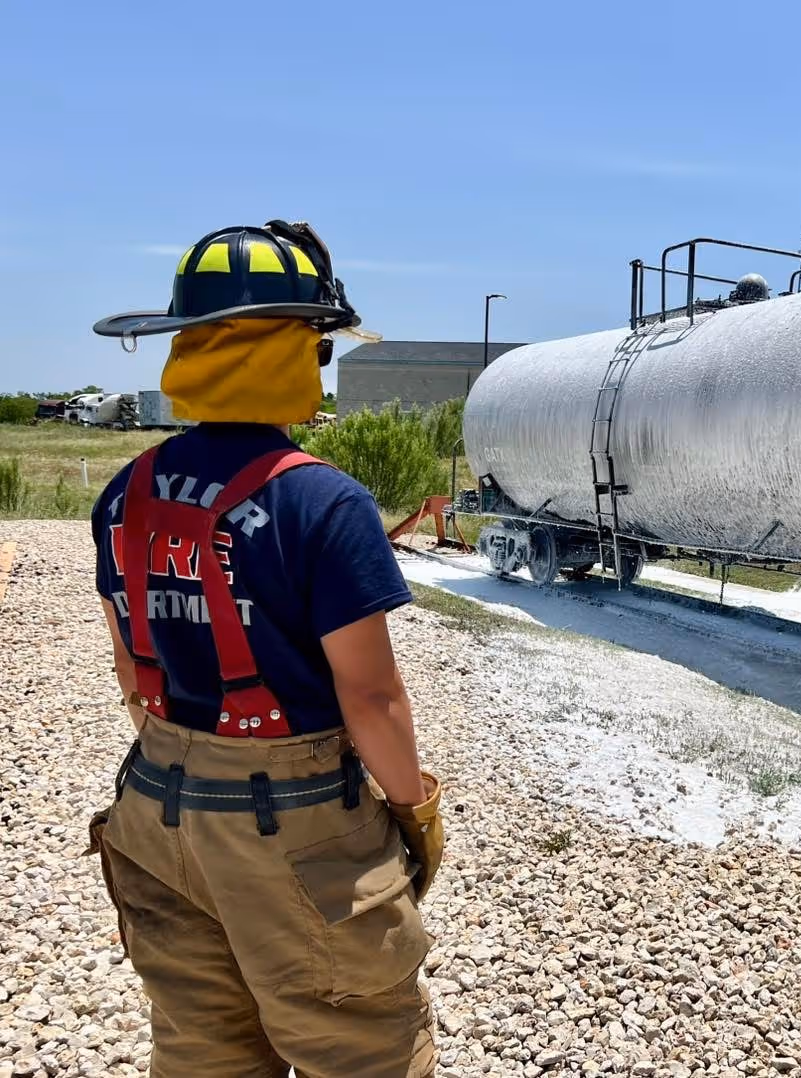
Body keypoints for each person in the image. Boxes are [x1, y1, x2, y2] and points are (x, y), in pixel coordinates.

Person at [84, 221, 444, 1078]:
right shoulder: (325, 502)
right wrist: (411, 811)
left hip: (155, 810)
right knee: (363, 1052)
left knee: (202, 1054)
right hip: (298, 825)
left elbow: (135, 670)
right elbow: (372, 699)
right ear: (294, 351)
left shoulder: (123, 492)